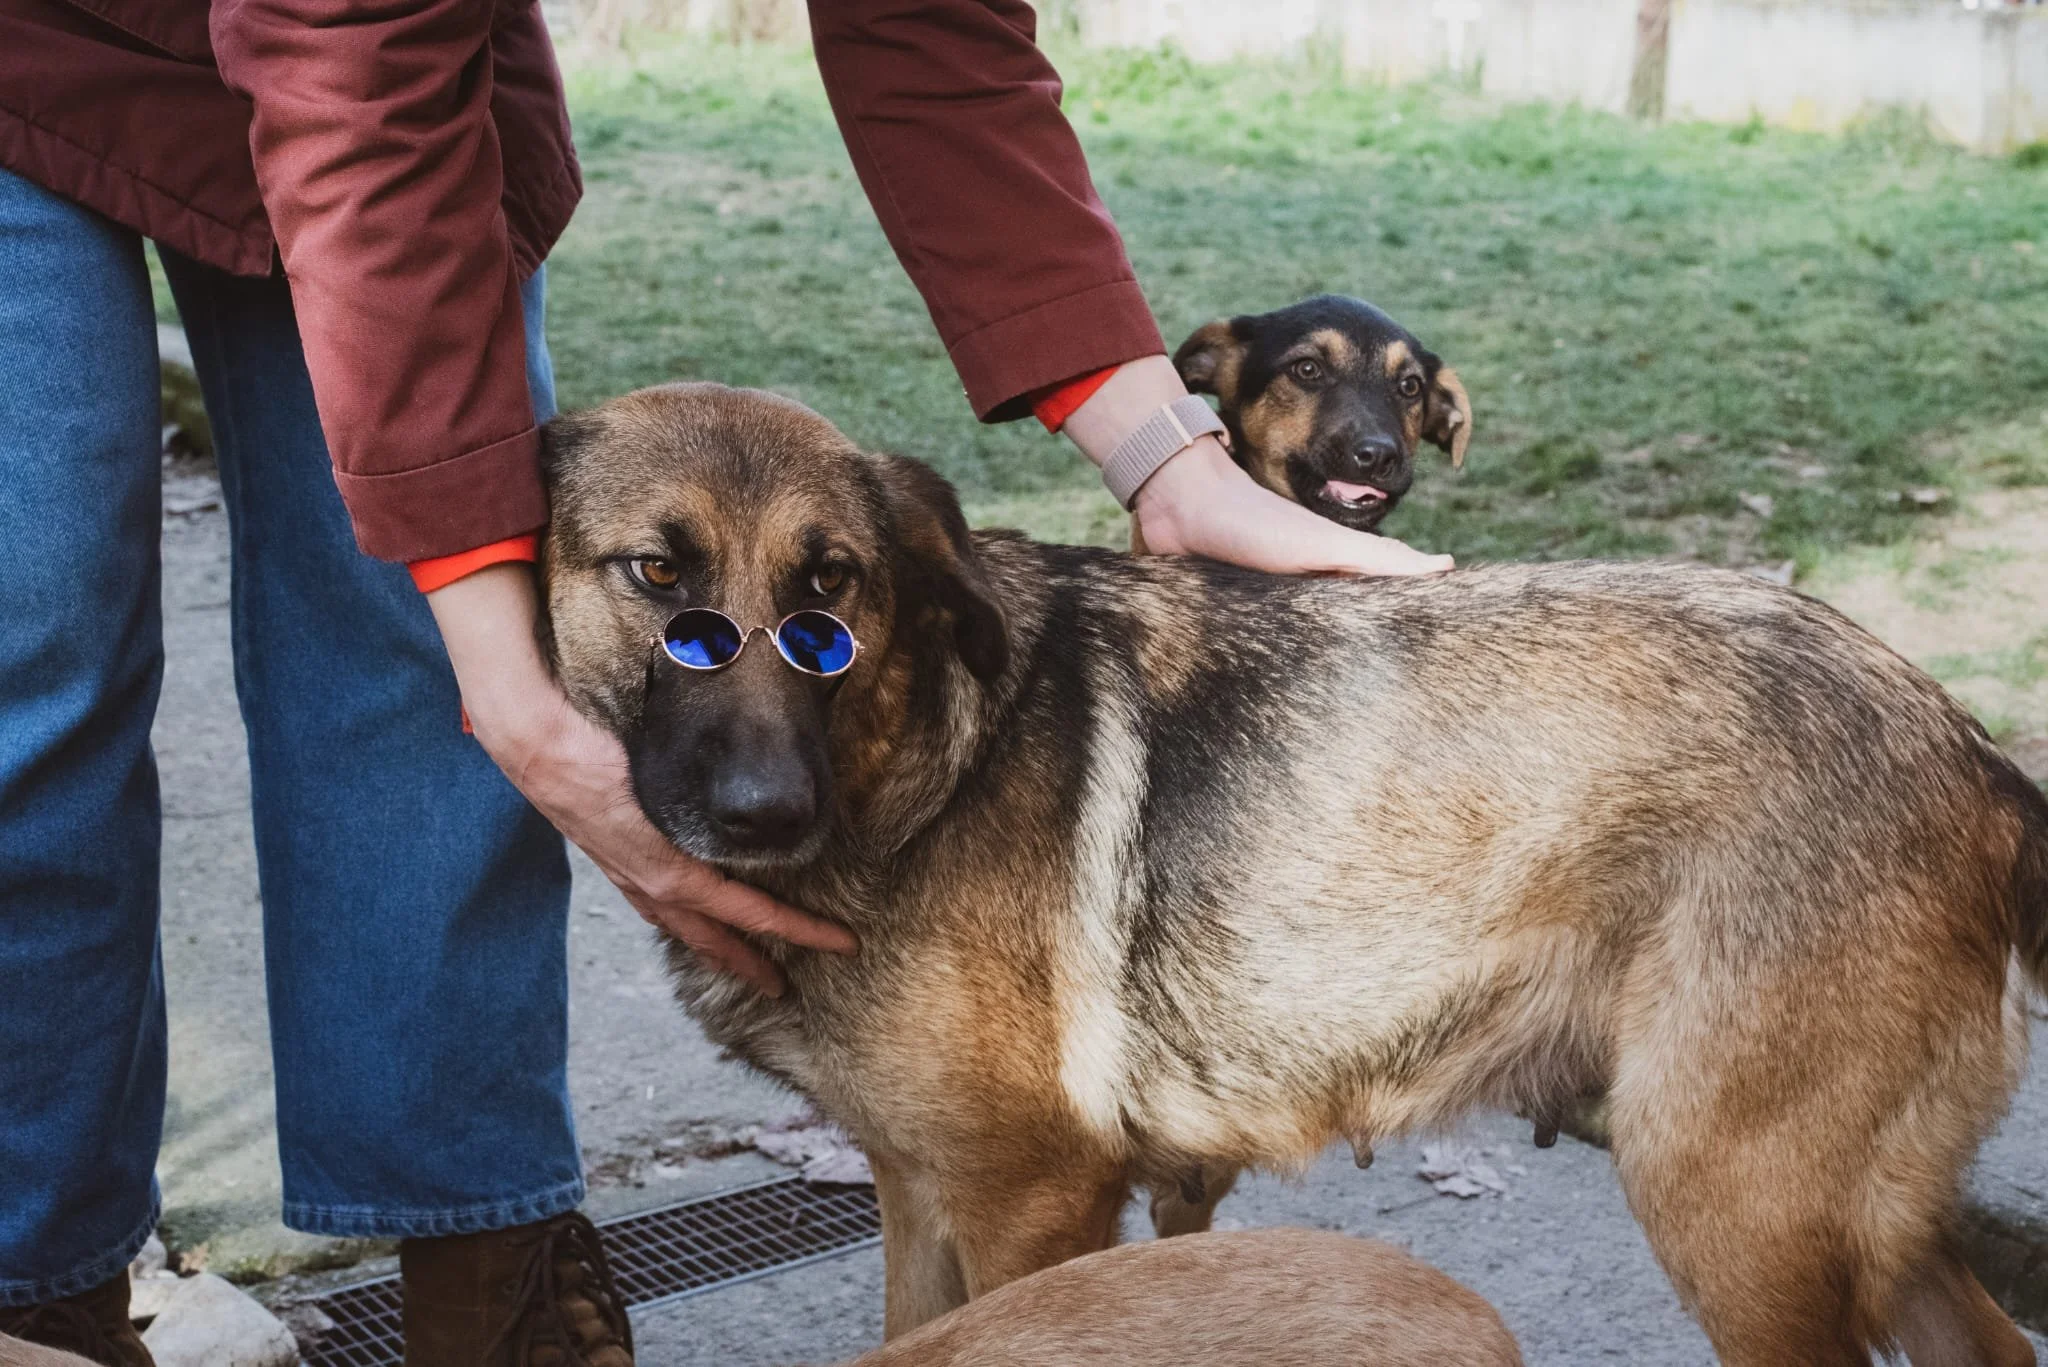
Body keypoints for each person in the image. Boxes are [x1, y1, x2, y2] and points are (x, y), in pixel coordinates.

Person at [0, 1, 1450, 1363]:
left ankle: (483, 1269)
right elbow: (351, 87)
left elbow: (930, 33)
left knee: (408, 654)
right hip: (50, 61)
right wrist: (509, 696)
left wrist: (1162, 455)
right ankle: (41, 1292)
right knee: (39, 655)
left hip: (410, 91)